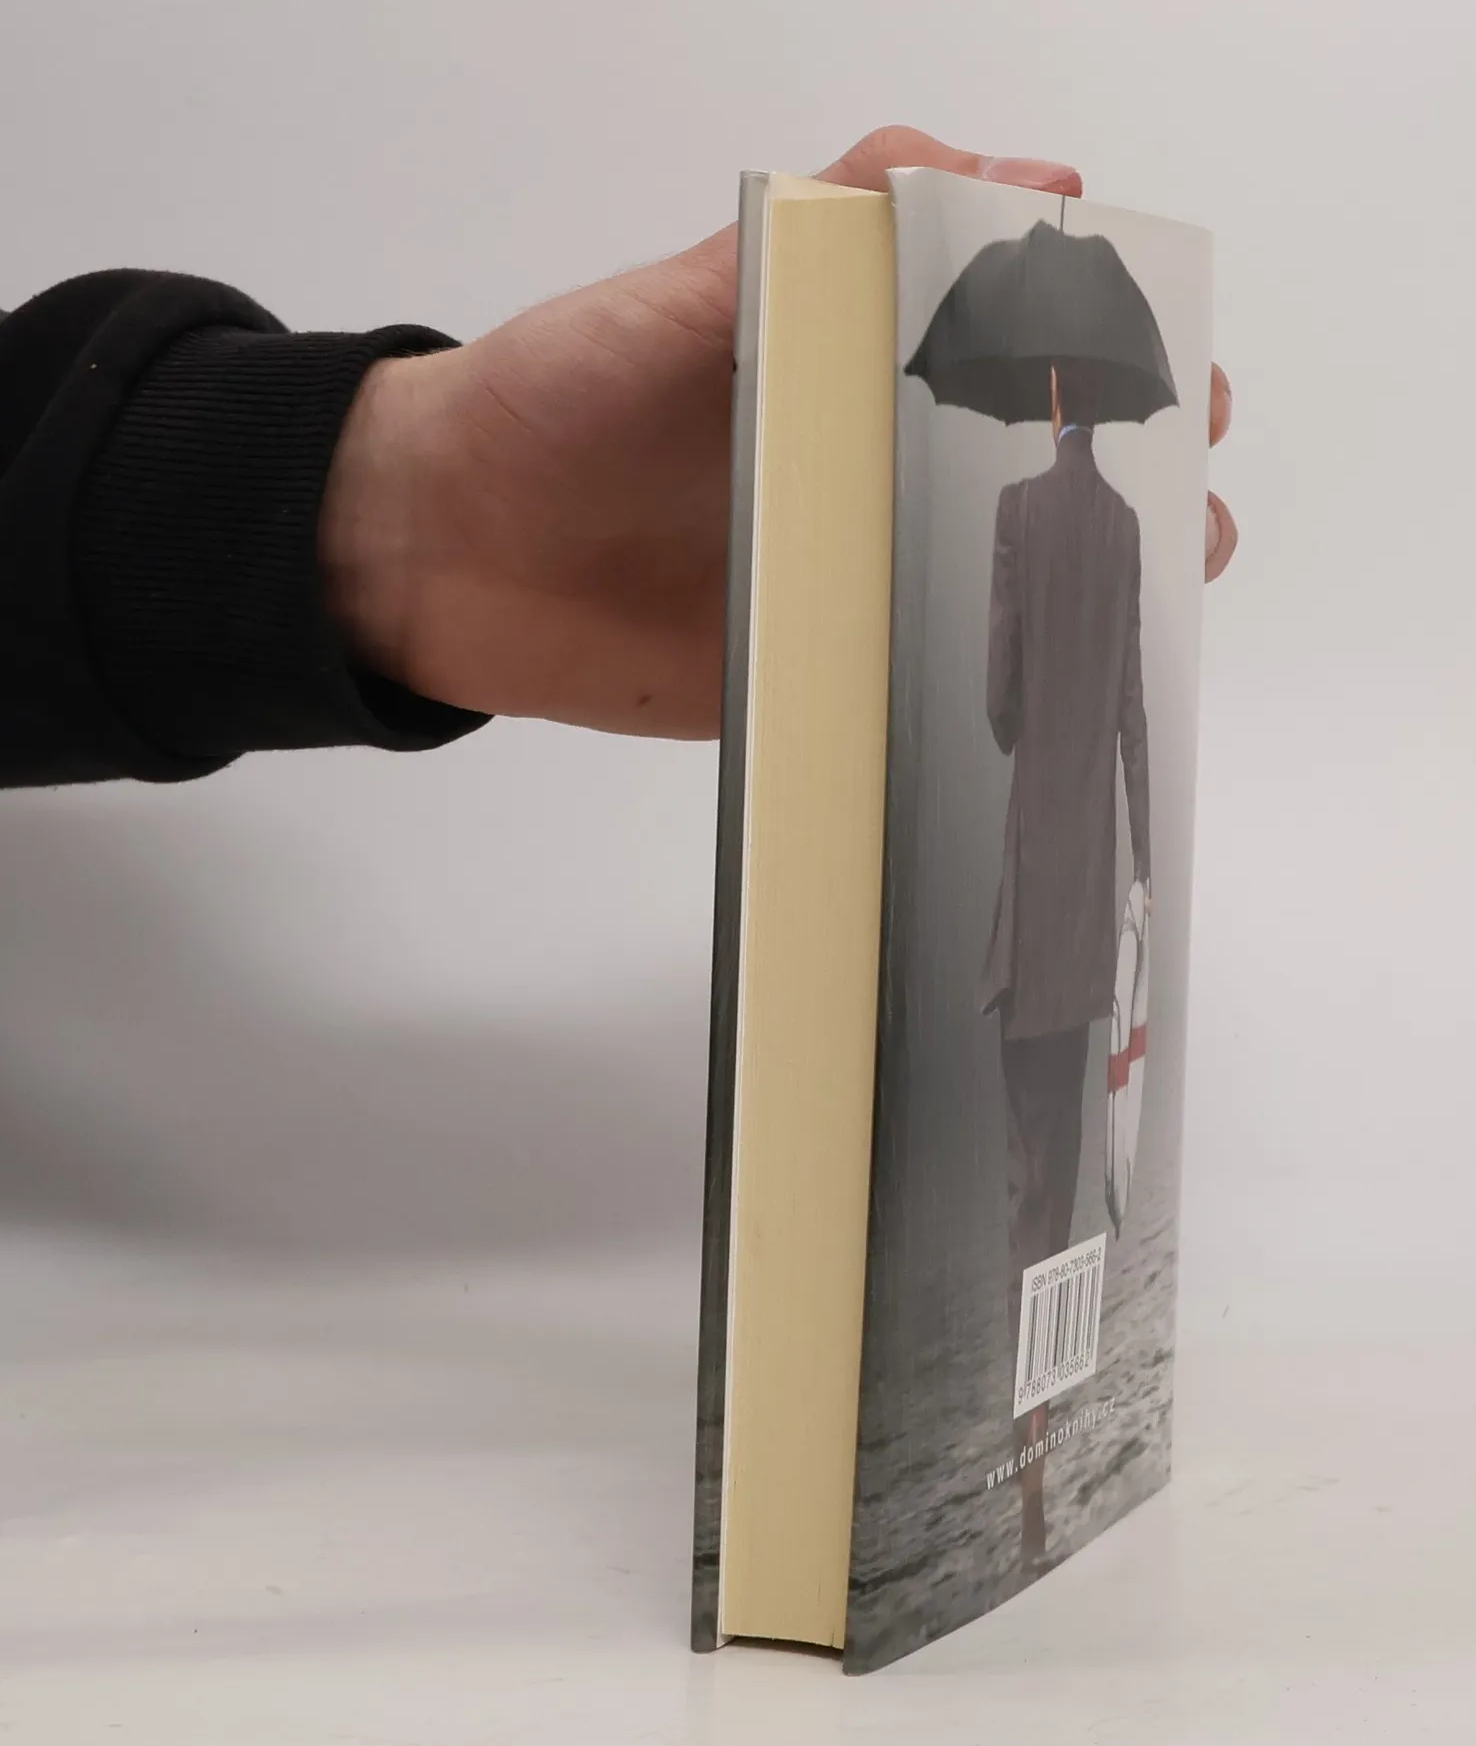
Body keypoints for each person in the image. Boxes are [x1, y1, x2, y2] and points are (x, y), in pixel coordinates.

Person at [0, 127, 1237, 791]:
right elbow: (1070, 706)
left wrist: (412, 498)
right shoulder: (1088, 516)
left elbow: (1027, 702)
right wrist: (414, 504)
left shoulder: (1033, 515)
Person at [983, 361, 1158, 1567]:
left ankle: (1030, 1473)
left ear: (1050, 394)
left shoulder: (1018, 511)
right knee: (1069, 1175)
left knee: (1030, 1187)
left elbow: (999, 707)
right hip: (1095, 904)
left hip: (1031, 896)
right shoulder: (1128, 525)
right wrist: (1145, 872)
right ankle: (1049, 1446)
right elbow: (1134, 718)